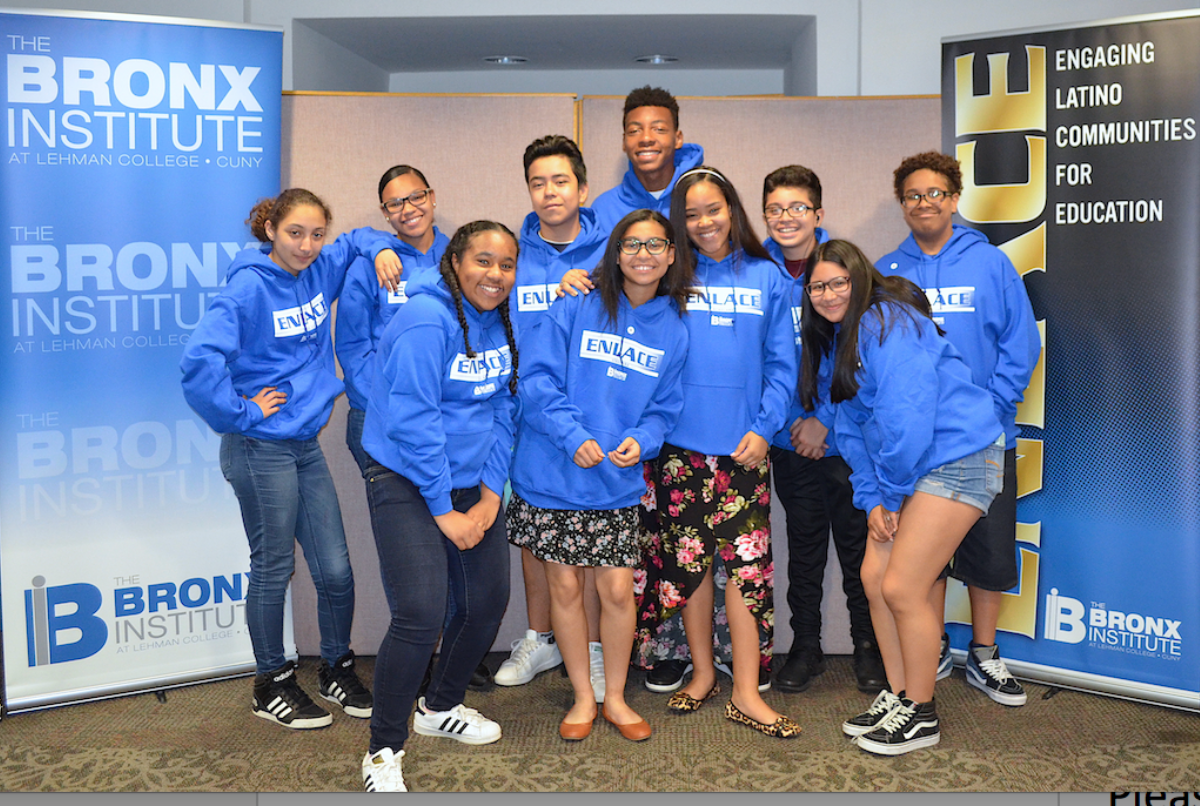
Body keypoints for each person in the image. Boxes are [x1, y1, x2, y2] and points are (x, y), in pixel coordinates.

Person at [181, 189, 396, 729]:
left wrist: (380, 249)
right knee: (274, 568)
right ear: (271, 228)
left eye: (316, 234)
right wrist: (243, 412)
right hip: (258, 447)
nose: (307, 245)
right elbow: (199, 362)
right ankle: (270, 682)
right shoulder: (249, 286)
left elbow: (357, 242)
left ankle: (335, 667)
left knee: (336, 570)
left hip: (302, 444)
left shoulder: (320, 267)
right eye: (295, 232)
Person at [799, 239, 1004, 755]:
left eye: (838, 282)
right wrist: (873, 501)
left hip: (958, 458)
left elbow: (906, 419)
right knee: (874, 577)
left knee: (905, 587)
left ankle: (922, 714)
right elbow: (849, 431)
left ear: (861, 279)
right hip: (913, 468)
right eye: (817, 286)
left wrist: (889, 494)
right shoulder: (840, 340)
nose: (827, 294)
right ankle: (899, 694)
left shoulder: (887, 323)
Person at [509, 209, 690, 742]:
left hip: (615, 480)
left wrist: (647, 440)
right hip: (555, 472)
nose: (643, 255)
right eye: (631, 245)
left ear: (672, 255)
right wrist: (572, 437)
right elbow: (536, 380)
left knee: (616, 590)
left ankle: (614, 697)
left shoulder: (674, 329)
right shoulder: (575, 304)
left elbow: (664, 407)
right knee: (564, 586)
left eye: (656, 245)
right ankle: (582, 698)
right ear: (615, 253)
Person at [634, 166, 800, 738]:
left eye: (714, 209)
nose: (704, 222)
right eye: (691, 213)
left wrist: (766, 427)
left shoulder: (767, 277)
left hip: (745, 452)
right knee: (690, 572)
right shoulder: (666, 278)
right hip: (679, 451)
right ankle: (702, 674)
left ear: (732, 209)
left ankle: (747, 691)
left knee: (747, 575)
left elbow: (784, 366)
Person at [358, 221, 519, 793]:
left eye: (505, 265)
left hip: (471, 480)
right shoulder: (425, 319)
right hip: (405, 475)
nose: (494, 275)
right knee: (421, 613)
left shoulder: (503, 318)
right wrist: (444, 509)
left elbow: (505, 409)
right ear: (454, 260)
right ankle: (382, 749)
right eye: (482, 261)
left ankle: (439, 706)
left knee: (486, 603)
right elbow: (415, 420)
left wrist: (491, 495)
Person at [877, 152, 1040, 707]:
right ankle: (936, 643)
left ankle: (986, 653)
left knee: (990, 555)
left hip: (983, 440)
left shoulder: (991, 263)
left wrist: (992, 411)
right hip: (920, 444)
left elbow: (1021, 345)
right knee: (928, 558)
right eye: (914, 195)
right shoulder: (885, 272)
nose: (926, 203)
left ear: (954, 199)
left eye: (937, 193)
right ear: (902, 205)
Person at [760, 166, 885, 695]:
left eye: (798, 207)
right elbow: (757, 361)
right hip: (789, 441)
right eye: (775, 209)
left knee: (859, 552)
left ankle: (868, 648)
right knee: (804, 549)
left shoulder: (843, 267)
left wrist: (825, 424)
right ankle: (806, 647)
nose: (787, 217)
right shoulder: (757, 272)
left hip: (847, 439)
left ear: (818, 213)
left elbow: (859, 351)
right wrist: (792, 426)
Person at [494, 135, 608, 694]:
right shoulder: (513, 253)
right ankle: (539, 639)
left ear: (583, 189)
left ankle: (588, 646)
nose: (549, 192)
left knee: (588, 537)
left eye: (560, 181)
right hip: (524, 419)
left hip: (589, 422)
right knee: (537, 537)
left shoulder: (609, 251)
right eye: (537, 182)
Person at [336, 165, 448, 475]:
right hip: (378, 415)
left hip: (444, 412)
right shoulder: (368, 265)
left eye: (416, 197)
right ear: (385, 212)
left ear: (432, 197)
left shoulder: (458, 257)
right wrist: (387, 402)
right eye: (395, 203)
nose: (408, 209)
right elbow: (352, 346)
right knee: (398, 521)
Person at [588, 85, 704, 232]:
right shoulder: (604, 210)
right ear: (624, 142)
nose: (646, 138)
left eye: (659, 129)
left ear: (678, 138)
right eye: (634, 131)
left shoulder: (700, 199)